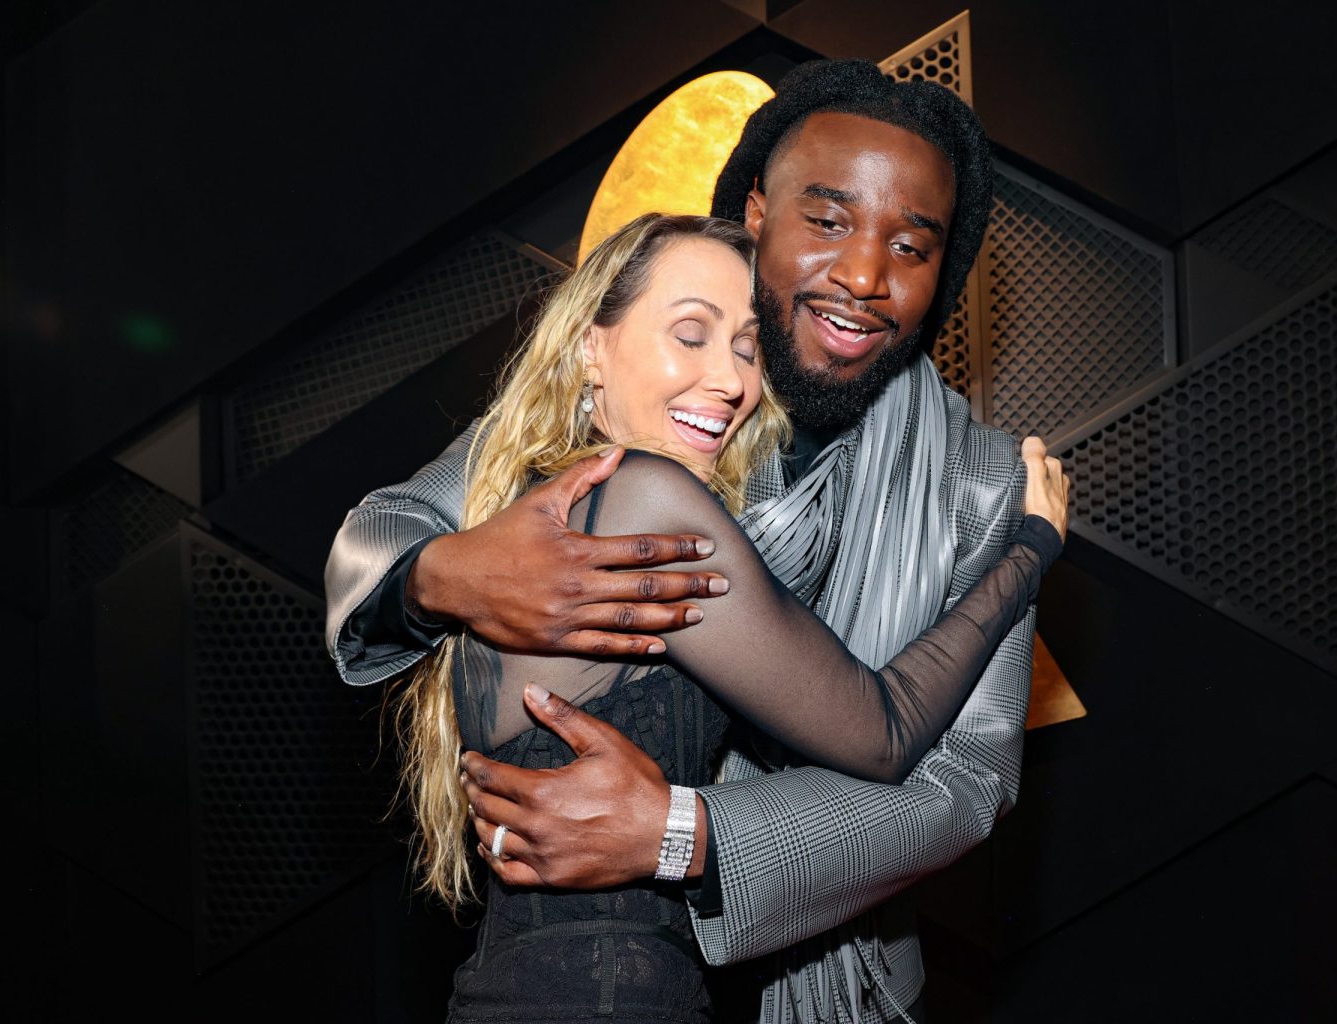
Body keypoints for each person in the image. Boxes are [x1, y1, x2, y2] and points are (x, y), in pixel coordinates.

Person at [326, 61, 1065, 1022]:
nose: (863, 276)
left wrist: (689, 832)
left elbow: (963, 784)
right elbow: (381, 535)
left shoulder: (985, 485)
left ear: (942, 275)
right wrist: (442, 575)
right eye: (827, 220)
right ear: (758, 215)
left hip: (830, 981)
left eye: (911, 247)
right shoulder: (650, 410)